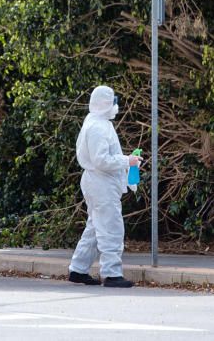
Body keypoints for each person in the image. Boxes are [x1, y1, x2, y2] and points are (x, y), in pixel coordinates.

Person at [68, 85, 142, 288]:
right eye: (113, 101)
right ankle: (111, 274)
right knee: (110, 227)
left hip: (100, 182)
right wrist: (128, 161)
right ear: (105, 103)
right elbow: (101, 160)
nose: (116, 106)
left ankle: (78, 269)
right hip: (100, 182)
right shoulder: (98, 128)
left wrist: (126, 162)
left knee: (95, 227)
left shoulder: (98, 122)